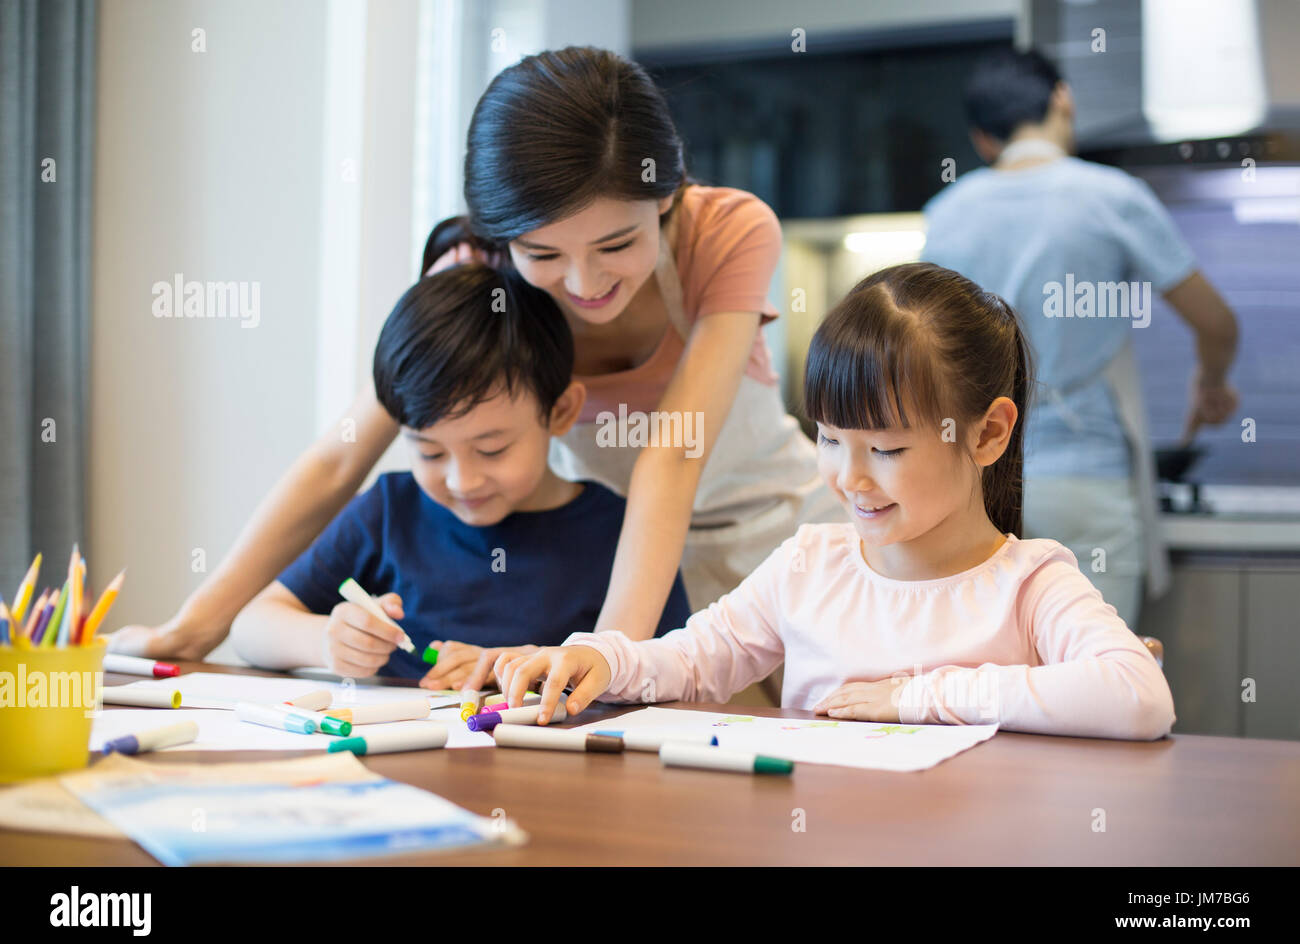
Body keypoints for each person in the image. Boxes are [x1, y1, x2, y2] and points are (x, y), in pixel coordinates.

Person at [111, 46, 840, 702]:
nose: (584, 282)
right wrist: (192, 628)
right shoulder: (477, 271)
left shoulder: (729, 232)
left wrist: (602, 658)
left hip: (776, 536)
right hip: (632, 559)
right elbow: (342, 455)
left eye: (617, 243)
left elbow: (672, 457)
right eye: (543, 254)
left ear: (667, 194)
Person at [493, 264, 1177, 742]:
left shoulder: (1031, 584)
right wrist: (605, 659)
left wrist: (917, 699)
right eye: (828, 439)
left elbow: (1140, 697)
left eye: (886, 450)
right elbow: (697, 658)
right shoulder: (809, 564)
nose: (849, 479)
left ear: (988, 432)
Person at [228, 264, 690, 686]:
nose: (461, 481)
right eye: (429, 452)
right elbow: (251, 627)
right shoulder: (390, 510)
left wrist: (532, 670)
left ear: (561, 411)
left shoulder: (620, 533)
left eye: (491, 449)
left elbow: (674, 671)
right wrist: (325, 640)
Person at [921, 48, 1239, 627]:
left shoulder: (947, 213)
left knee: (995, 677)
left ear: (983, 139)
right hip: (1086, 481)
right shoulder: (1112, 196)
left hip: (978, 484)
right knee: (1099, 682)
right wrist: (1211, 382)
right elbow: (1217, 322)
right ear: (1063, 99)